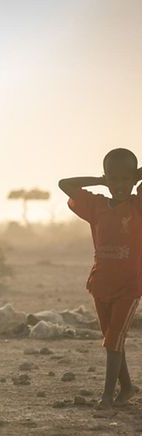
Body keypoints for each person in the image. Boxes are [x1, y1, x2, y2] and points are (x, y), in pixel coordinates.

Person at [59, 148, 142, 411]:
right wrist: (101, 180)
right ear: (106, 178)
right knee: (112, 338)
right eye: (113, 179)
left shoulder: (138, 205)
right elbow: (65, 184)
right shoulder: (96, 206)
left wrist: (135, 176)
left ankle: (107, 395)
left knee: (113, 339)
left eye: (125, 179)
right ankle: (127, 387)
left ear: (134, 179)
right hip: (100, 283)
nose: (119, 185)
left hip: (130, 285)